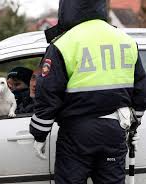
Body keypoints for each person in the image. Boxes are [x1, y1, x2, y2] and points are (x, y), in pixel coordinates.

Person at [30, 0, 146, 183]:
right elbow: (141, 90)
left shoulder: (64, 42)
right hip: (114, 131)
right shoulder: (126, 41)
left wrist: (39, 133)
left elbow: (48, 92)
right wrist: (133, 124)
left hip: (77, 132)